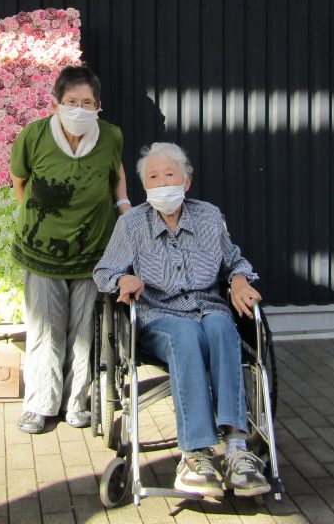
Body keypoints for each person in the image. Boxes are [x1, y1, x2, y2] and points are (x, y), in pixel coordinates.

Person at [93, 142, 270, 498]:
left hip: (209, 310)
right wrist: (122, 279)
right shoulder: (132, 224)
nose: (161, 183)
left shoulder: (208, 217)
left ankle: (237, 448)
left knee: (223, 326)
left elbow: (234, 260)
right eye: (153, 178)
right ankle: (195, 454)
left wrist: (238, 279)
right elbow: (104, 271)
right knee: (186, 335)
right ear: (145, 187)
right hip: (160, 317)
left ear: (186, 182)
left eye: (169, 175)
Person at [11, 64, 131, 434]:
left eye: (87, 102)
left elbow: (116, 172)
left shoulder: (111, 136)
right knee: (46, 328)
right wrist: (34, 218)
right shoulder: (33, 135)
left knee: (85, 331)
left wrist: (124, 204)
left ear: (98, 105)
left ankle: (77, 402)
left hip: (94, 250)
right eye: (70, 101)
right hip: (41, 252)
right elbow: (20, 180)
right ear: (55, 103)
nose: (79, 108)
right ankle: (39, 405)